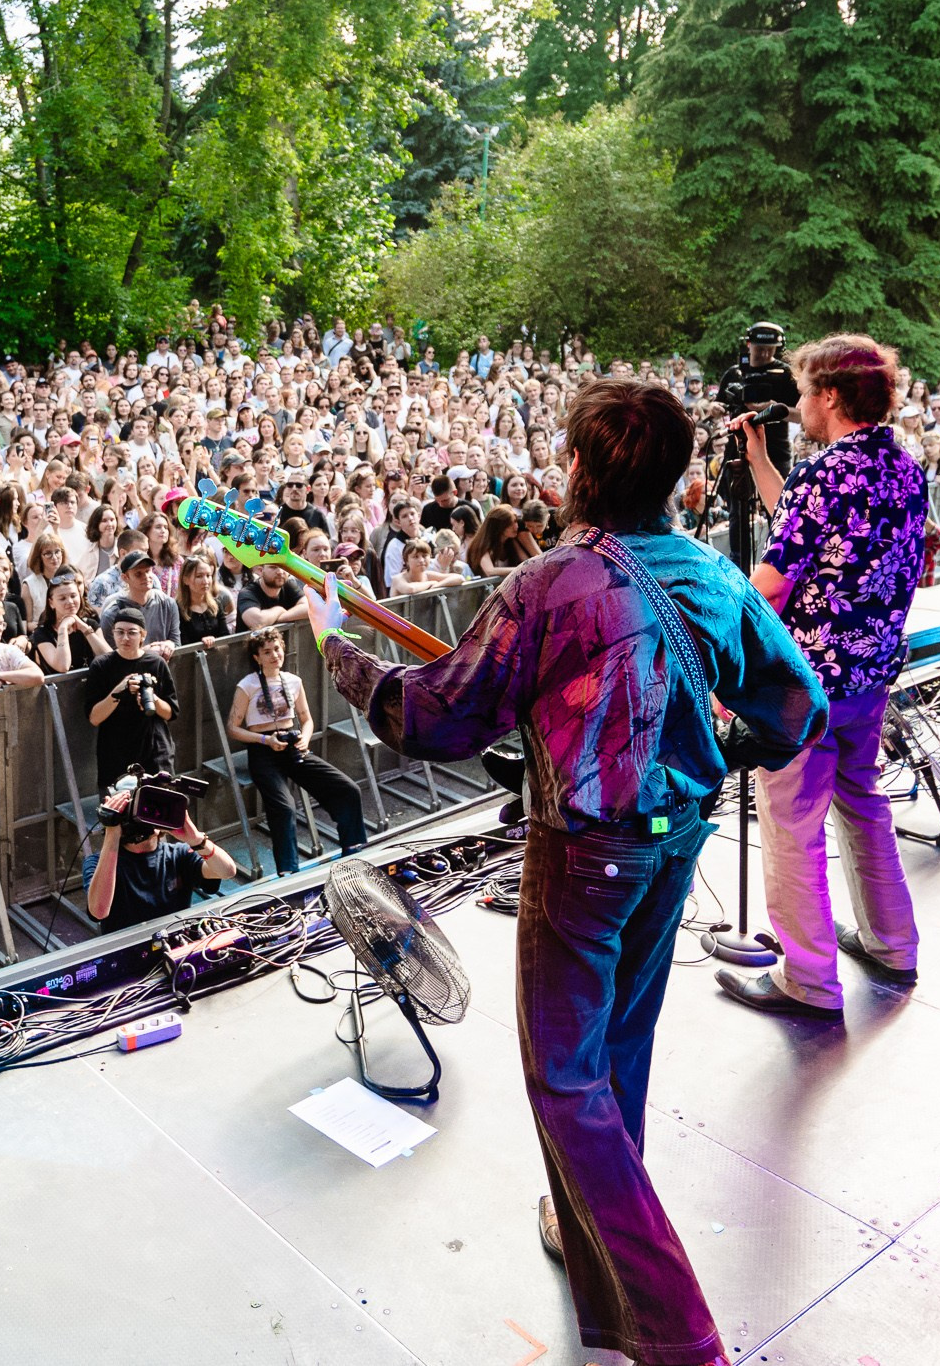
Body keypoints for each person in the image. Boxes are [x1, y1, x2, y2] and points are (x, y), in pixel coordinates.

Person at [309, 377, 822, 1366]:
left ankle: (678, 1332)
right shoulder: (712, 574)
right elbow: (795, 703)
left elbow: (436, 715)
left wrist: (339, 647)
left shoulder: (548, 585)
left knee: (565, 1079)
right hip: (679, 838)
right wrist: (721, 745)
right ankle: (590, 1243)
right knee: (619, 1043)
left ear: (584, 467)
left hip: (585, 854)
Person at [719, 333, 930, 1021]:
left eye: (806, 391)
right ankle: (893, 943)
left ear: (831, 395)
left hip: (804, 688)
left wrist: (721, 656)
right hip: (869, 676)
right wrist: (758, 463)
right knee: (863, 802)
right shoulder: (902, 466)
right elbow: (817, 532)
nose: (800, 405)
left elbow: (773, 584)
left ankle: (808, 979)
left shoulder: (824, 472)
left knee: (791, 823)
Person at [225, 624, 367, 876]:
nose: (274, 655)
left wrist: (306, 738)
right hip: (263, 747)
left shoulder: (293, 681)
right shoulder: (247, 685)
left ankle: (353, 845)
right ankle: (287, 870)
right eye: (267, 652)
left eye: (277, 649)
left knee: (347, 789)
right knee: (284, 807)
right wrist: (264, 740)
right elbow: (233, 729)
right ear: (257, 657)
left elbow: (306, 717)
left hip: (293, 743)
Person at [84, 779, 237, 928]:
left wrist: (196, 839)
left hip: (176, 944)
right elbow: (98, 911)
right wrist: (112, 831)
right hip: (128, 948)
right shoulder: (98, 863)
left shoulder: (178, 855)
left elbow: (227, 871)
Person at [81, 606, 177, 777]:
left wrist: (152, 699)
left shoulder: (156, 663)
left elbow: (171, 713)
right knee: (118, 804)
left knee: (160, 802)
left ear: (143, 635)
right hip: (115, 756)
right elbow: (94, 718)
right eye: (120, 632)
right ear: (113, 633)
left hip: (155, 753)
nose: (125, 638)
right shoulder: (101, 665)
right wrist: (119, 690)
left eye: (132, 632)